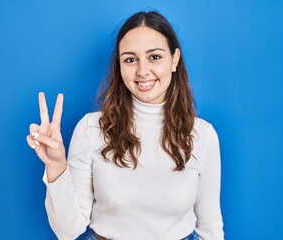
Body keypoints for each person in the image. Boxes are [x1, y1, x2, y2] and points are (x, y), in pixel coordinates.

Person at [26, 11, 224, 240]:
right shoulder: (91, 129)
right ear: (119, 66)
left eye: (155, 57)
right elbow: (67, 231)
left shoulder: (203, 135)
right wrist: (56, 165)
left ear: (174, 60)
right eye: (130, 59)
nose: (142, 71)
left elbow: (210, 226)